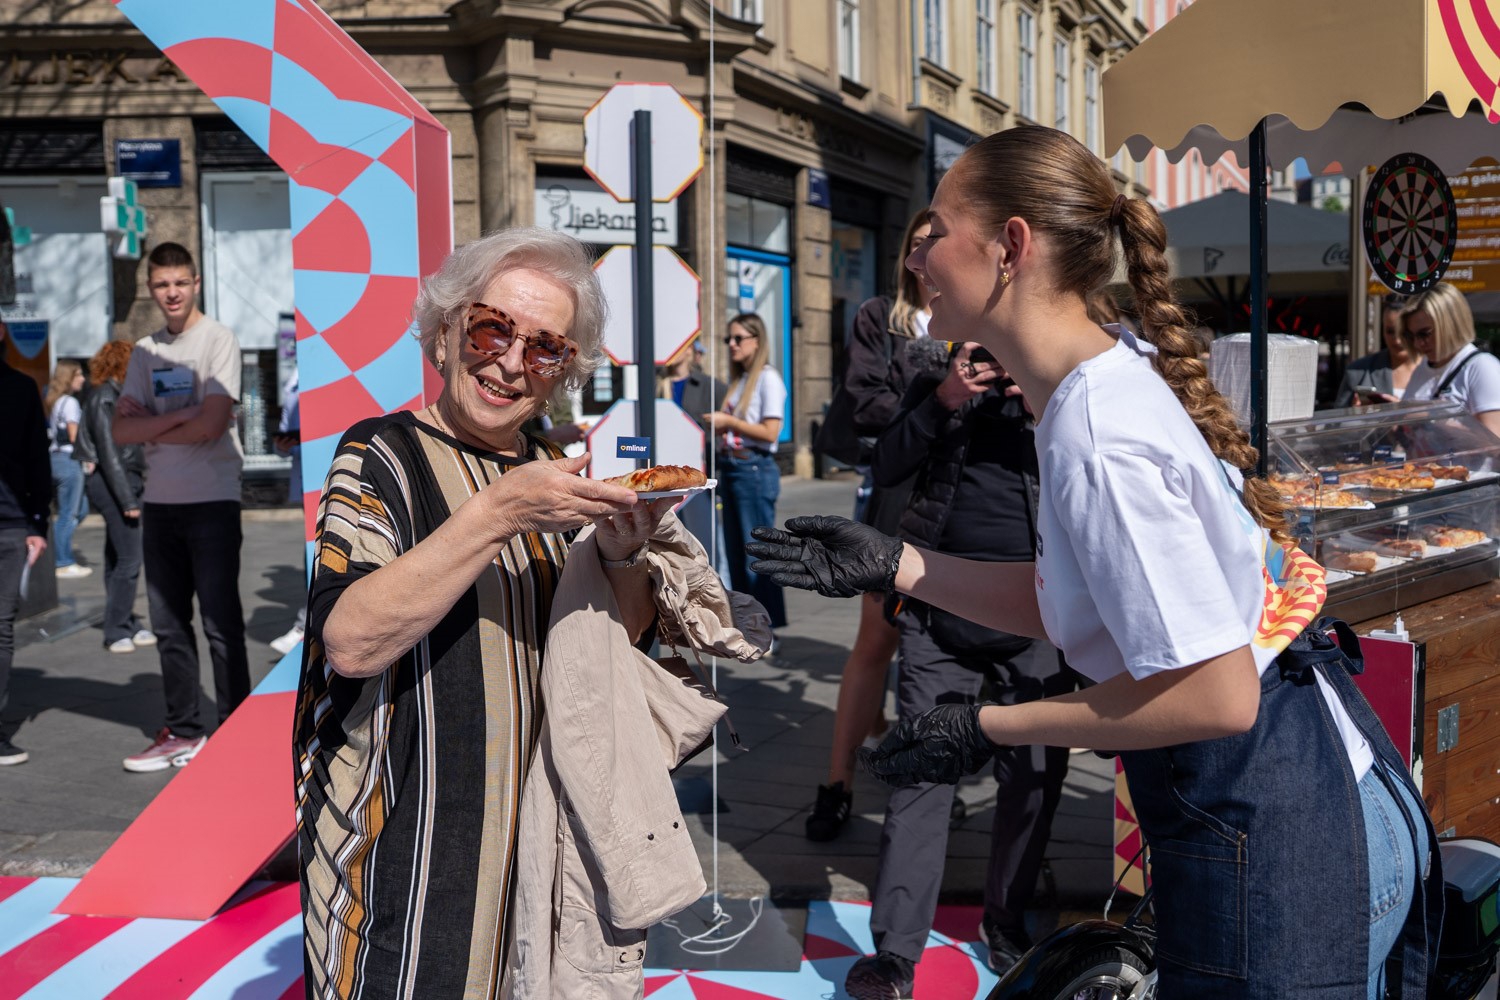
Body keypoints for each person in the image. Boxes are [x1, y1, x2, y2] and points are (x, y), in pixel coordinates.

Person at [748, 125, 1439, 1000]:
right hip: (1304, 805)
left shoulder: (1097, 431)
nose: (916, 254)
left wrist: (985, 726)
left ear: (1011, 246)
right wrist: (899, 563)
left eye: (933, 231)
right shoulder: (1093, 392)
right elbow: (1090, 604)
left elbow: (1215, 696)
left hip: (1277, 831)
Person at [294, 227, 676, 998]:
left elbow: (614, 646)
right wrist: (498, 512)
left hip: (534, 855)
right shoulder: (380, 455)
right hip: (402, 854)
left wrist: (624, 556)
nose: (509, 363)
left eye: (545, 349)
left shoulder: (553, 478)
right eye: (492, 328)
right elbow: (351, 642)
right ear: (443, 331)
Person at [843, 336, 1073, 994]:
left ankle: (1005, 917)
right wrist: (946, 395)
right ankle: (894, 954)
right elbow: (885, 466)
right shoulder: (935, 380)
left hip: (1040, 614)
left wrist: (1040, 401)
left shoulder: (1060, 384)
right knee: (923, 771)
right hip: (939, 609)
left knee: (1034, 774)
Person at [806, 209, 932, 842]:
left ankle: (924, 784)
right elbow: (867, 400)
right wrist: (942, 403)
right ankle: (837, 784)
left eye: (937, 241)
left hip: (966, 502)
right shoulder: (883, 316)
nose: (926, 254)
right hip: (898, 496)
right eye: (916, 244)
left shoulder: (984, 321)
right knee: (875, 643)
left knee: (938, 654)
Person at [113, 241, 250, 773]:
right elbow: (121, 430)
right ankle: (185, 730)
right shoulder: (145, 350)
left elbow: (213, 426)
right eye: (161, 285)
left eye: (180, 283)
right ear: (152, 289)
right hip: (160, 503)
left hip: (213, 499)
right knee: (169, 626)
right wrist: (183, 417)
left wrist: (156, 420)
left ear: (196, 284)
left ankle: (234, 727)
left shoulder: (219, 341)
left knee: (220, 623)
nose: (171, 293)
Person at [705, 312, 787, 629]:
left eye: (739, 338)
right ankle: (748, 622)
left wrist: (728, 423)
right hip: (734, 467)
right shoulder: (739, 382)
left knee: (757, 552)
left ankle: (767, 625)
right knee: (737, 553)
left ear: (757, 340)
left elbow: (770, 432)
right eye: (729, 338)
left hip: (753, 467)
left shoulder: (767, 378)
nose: (732, 344)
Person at [74, 340, 155, 653]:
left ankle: (124, 620)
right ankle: (117, 627)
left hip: (121, 480)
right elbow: (110, 454)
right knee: (129, 558)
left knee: (117, 555)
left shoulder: (115, 396)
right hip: (116, 484)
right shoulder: (106, 397)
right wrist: (128, 501)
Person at [0, 320, 50, 766]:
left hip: (13, 526)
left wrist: (37, 522)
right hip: (16, 523)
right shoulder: (21, 387)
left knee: (1, 627)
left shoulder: (20, 388)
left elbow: (37, 457)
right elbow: (38, 459)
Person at [660, 333, 728, 576]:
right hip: (664, 476)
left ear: (690, 350)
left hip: (698, 476)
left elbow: (725, 425)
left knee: (704, 543)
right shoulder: (657, 385)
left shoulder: (710, 386)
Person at [1400, 282, 1500, 434]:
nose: (1418, 343)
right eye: (1410, 335)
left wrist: (1429, 417)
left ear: (1450, 324)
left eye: (1424, 333)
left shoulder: (1482, 367)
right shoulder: (1423, 368)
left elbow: (1494, 439)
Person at [269, 369, 305, 656]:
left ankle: (305, 625)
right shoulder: (293, 378)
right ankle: (306, 625)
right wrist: (284, 446)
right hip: (306, 477)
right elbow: (286, 424)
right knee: (312, 553)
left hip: (332, 471)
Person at [45, 360, 91, 579]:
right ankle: (62, 561)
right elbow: (74, 436)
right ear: (68, 377)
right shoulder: (70, 402)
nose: (83, 379)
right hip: (69, 460)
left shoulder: (56, 401)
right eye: (79, 375)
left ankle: (58, 550)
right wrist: (89, 456)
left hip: (56, 458)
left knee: (79, 510)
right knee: (68, 513)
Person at [1334, 293, 1420, 407]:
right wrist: (1354, 415)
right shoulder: (1358, 371)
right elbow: (1339, 420)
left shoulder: (1437, 369)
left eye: (1403, 332)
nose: (1397, 340)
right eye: (1390, 331)